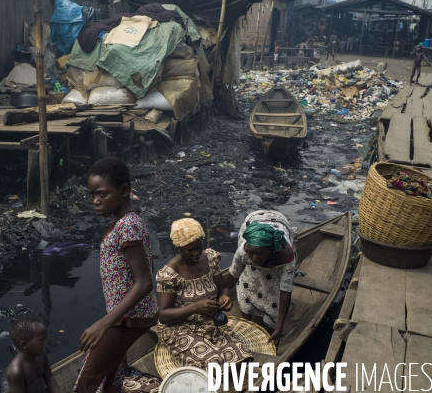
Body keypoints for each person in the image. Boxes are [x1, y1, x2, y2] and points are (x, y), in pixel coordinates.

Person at [76, 157, 158, 393]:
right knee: (113, 374)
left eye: (102, 194)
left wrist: (104, 323)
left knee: (87, 381)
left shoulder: (128, 226)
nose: (95, 201)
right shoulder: (124, 220)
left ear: (124, 191)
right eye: (92, 195)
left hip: (127, 318)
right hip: (123, 315)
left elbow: (144, 283)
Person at [156, 218, 252, 370]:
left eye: (198, 247)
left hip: (210, 321)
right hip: (180, 328)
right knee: (212, 363)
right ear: (179, 248)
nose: (196, 253)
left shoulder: (209, 258)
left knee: (241, 357)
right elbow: (163, 315)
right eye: (190, 250)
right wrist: (194, 307)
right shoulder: (170, 274)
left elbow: (223, 287)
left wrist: (225, 296)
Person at [224, 210, 295, 347]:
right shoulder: (244, 251)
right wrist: (223, 296)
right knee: (248, 281)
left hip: (279, 223)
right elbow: (233, 275)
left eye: (259, 254)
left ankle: (265, 319)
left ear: (271, 250)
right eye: (251, 253)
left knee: (272, 290)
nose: (254, 257)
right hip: (253, 220)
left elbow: (285, 291)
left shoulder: (285, 255)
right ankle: (249, 313)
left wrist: (279, 328)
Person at [6, 318, 60, 393]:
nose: (45, 343)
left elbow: (49, 377)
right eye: (41, 340)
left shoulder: (41, 356)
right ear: (24, 345)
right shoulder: (16, 371)